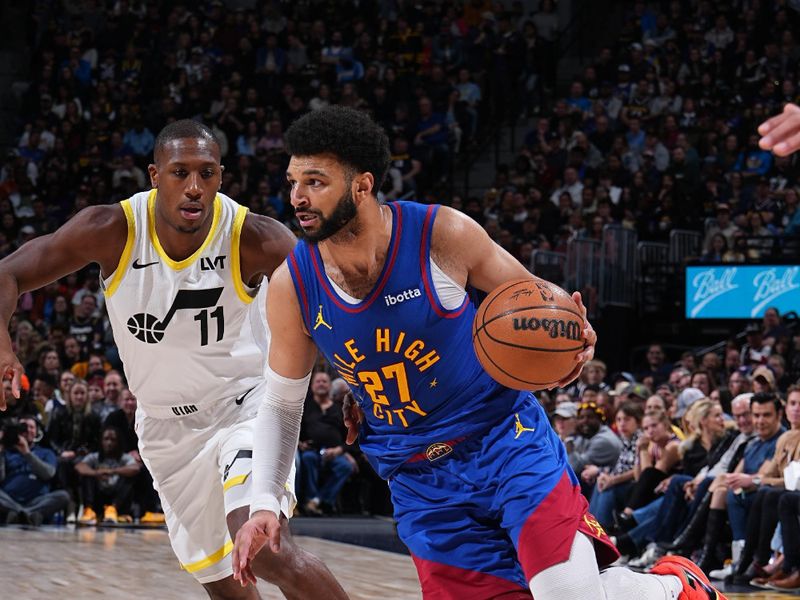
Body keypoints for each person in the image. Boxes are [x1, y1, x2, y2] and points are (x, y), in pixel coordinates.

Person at [233, 106, 726, 600]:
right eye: (294, 180)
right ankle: (669, 588)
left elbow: (531, 294)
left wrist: (573, 330)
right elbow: (281, 402)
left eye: (315, 181)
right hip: (418, 478)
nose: (297, 196)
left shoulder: (441, 234)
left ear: (361, 186)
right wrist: (265, 502)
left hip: (504, 439)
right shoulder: (292, 285)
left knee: (566, 595)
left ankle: (672, 588)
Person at [0, 120, 346, 599]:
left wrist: (358, 382)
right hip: (165, 429)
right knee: (224, 583)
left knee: (264, 547)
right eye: (180, 172)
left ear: (221, 177)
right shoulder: (111, 229)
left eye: (207, 173)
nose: (194, 187)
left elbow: (334, 304)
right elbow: (8, 275)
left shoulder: (256, 238)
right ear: (154, 175)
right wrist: (4, 346)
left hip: (245, 407)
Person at [0, 415, 69, 525]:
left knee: (63, 496)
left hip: (38, 500)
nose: (27, 430)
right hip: (9, 499)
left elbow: (48, 474)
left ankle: (18, 514)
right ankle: (27, 514)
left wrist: (27, 453)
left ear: (37, 432)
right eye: (23, 427)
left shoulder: (46, 452)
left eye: (31, 427)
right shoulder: (6, 452)